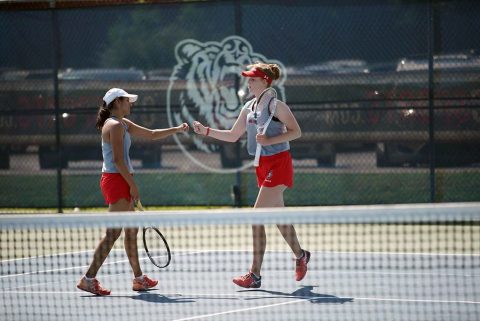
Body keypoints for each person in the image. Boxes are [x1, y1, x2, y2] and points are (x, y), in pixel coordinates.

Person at [192, 62, 310, 288]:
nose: (248, 82)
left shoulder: (278, 106)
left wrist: (271, 140)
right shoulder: (248, 107)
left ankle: (254, 274)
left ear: (266, 81)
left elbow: (297, 132)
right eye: (248, 78)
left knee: (257, 216)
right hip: (262, 165)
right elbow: (233, 135)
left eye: (253, 79)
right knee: (278, 218)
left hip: (279, 164)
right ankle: (301, 255)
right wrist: (206, 131)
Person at [76, 88, 189, 295]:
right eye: (128, 101)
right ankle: (88, 279)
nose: (131, 104)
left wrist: (178, 129)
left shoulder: (123, 124)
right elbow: (118, 161)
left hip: (121, 178)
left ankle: (138, 279)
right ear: (117, 102)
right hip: (116, 179)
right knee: (113, 232)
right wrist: (132, 185)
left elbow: (152, 134)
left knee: (131, 230)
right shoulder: (115, 126)